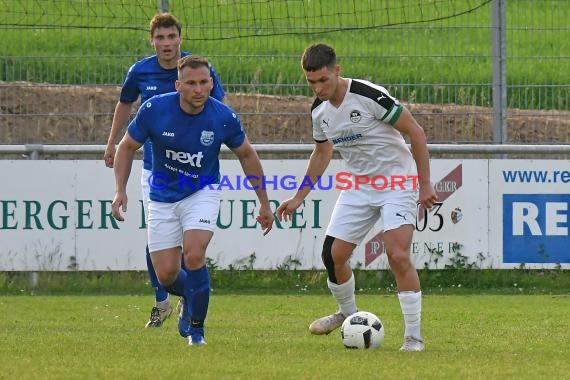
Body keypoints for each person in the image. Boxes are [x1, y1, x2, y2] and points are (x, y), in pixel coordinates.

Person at [276, 43, 438, 352]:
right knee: (332, 255)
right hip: (359, 185)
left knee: (397, 254)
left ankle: (414, 338)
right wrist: (299, 197)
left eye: (323, 80)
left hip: (397, 182)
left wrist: (426, 184)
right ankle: (350, 317)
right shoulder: (319, 111)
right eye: (311, 82)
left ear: (337, 71)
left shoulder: (367, 95)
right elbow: (322, 153)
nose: (318, 88)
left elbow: (416, 133)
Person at [111, 55, 274, 345]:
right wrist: (120, 190)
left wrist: (263, 201)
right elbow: (126, 147)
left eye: (204, 82)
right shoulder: (154, 109)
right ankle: (191, 294)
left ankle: (197, 331)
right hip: (162, 195)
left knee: (195, 254)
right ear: (178, 84)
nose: (199, 89)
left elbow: (247, 155)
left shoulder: (222, 116)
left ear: (211, 83)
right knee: (166, 275)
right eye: (191, 83)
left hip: (202, 192)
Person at [104, 13, 226, 329]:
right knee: (157, 241)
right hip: (154, 170)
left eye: (172, 36)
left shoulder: (197, 71)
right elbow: (124, 105)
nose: (167, 43)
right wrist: (112, 144)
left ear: (180, 39)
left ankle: (190, 297)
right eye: (160, 37)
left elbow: (220, 110)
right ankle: (165, 301)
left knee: (190, 246)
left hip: (195, 173)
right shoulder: (140, 71)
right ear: (152, 41)